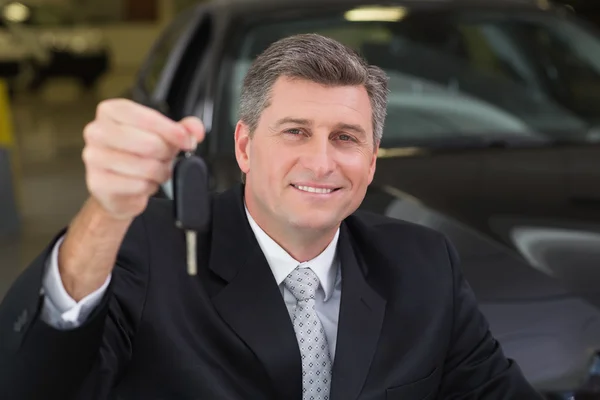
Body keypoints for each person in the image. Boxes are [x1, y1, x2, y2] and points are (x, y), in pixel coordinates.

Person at [0, 34, 543, 400]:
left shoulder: (424, 264)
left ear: (371, 161)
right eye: (295, 131)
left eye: (346, 138)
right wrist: (106, 211)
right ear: (244, 147)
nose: (322, 161)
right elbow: (33, 381)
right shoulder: (148, 248)